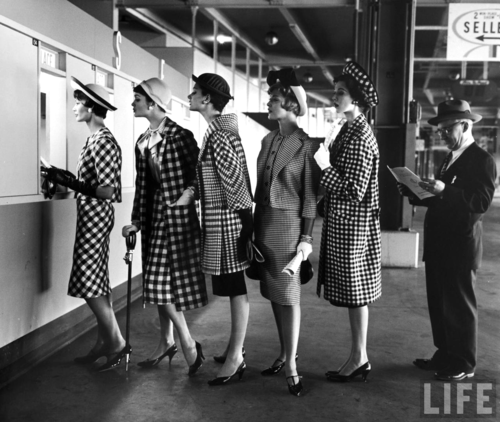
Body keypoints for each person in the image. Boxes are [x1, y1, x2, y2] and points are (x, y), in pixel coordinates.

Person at [397, 99, 496, 381]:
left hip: (460, 246)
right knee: (439, 303)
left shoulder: (482, 160)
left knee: (460, 307)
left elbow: (480, 203)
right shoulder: (451, 156)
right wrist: (413, 191)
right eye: (440, 130)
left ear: (464, 125)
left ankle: (464, 362)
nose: (442, 135)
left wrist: (444, 191)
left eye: (446, 129)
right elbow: (441, 199)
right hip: (439, 244)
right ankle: (445, 352)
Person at [122, 78, 207, 376]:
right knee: (160, 284)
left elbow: (200, 176)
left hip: (179, 220)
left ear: (154, 103)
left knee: (161, 284)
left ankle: (186, 342)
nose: (132, 103)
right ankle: (166, 341)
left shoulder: (181, 136)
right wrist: (135, 222)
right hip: (156, 218)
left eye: (137, 98)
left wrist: (188, 197)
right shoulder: (142, 141)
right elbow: (143, 187)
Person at [42, 77, 126, 372]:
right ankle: (104, 342)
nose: (75, 107)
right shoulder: (94, 140)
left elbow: (106, 190)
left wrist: (72, 181)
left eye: (79, 102)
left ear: (91, 108)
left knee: (87, 278)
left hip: (96, 214)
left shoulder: (103, 141)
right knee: (97, 279)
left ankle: (116, 342)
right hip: (92, 214)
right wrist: (64, 177)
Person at [253, 68, 320, 397]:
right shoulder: (268, 139)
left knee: (289, 296)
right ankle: (283, 353)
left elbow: (310, 197)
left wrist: (306, 239)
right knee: (273, 295)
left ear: (292, 105)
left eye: (275, 100)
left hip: (289, 227)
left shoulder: (305, 145)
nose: (269, 103)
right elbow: (259, 188)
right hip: (264, 224)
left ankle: (292, 365)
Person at [314, 62, 382, 383]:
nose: (334, 96)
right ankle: (359, 356)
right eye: (335, 91)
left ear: (356, 100)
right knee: (354, 293)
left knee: (356, 293)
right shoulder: (348, 128)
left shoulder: (361, 136)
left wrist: (325, 166)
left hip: (354, 225)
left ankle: (359, 358)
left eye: (340, 92)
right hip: (345, 222)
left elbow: (355, 189)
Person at [188, 73, 253, 386]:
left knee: (234, 287)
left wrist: (246, 228)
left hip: (228, 223)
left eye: (195, 91)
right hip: (222, 221)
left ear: (207, 100)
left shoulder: (220, 135)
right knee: (230, 288)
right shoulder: (218, 132)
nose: (190, 95)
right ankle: (233, 348)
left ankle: (236, 356)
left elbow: (236, 185)